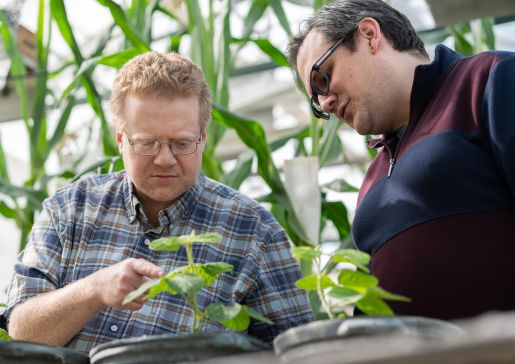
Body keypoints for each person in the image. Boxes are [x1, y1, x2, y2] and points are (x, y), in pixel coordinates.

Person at [3, 51, 313, 354]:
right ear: (121, 140)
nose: (164, 159)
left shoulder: (254, 233)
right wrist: (95, 289)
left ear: (203, 139)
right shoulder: (69, 209)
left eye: (181, 143)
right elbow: (22, 330)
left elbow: (297, 354)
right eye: (147, 143)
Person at [288, 0, 515, 320]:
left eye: (322, 79)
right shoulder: (373, 176)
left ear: (369, 35)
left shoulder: (486, 80)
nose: (324, 104)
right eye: (315, 100)